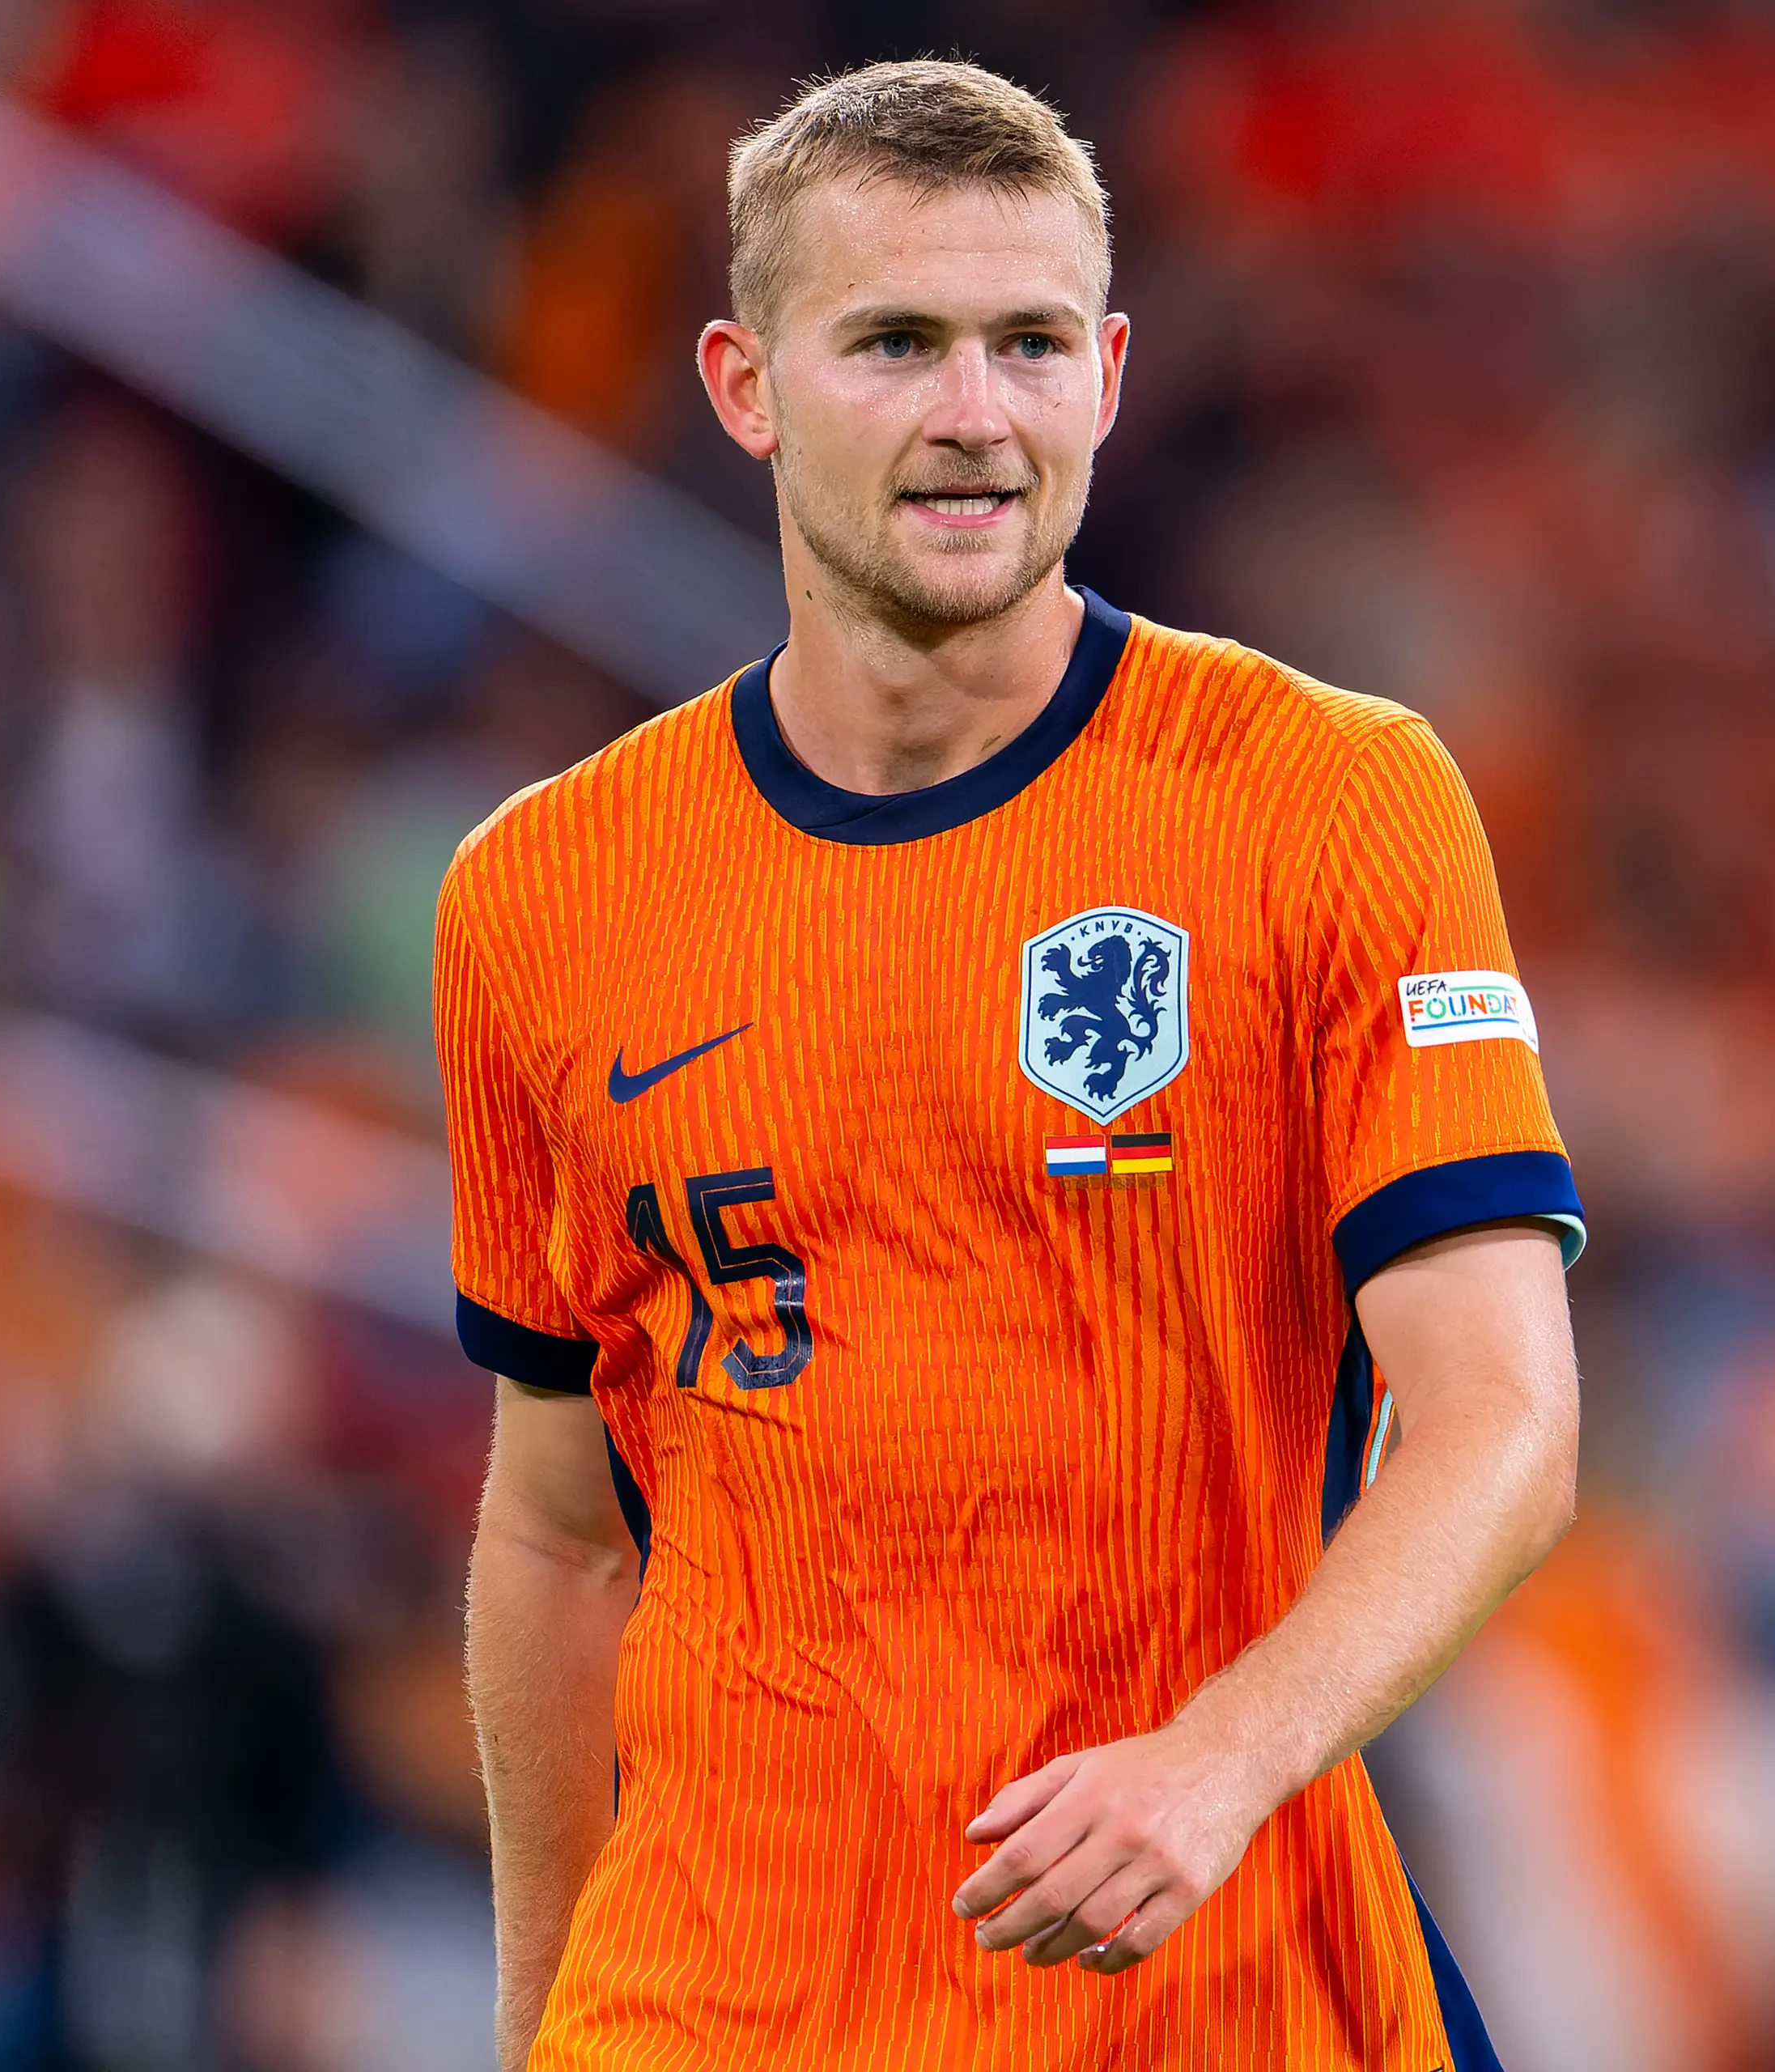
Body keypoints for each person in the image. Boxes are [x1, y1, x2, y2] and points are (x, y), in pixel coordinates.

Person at [438, 60, 1585, 2071]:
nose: (977, 411)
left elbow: (1500, 1416)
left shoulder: (1330, 803)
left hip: (1199, 1991)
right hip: (719, 2007)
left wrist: (1218, 1764)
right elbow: (556, 1527)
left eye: (1030, 343)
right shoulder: (541, 892)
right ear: (743, 383)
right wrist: (538, 2016)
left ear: (1112, 372)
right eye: (894, 342)